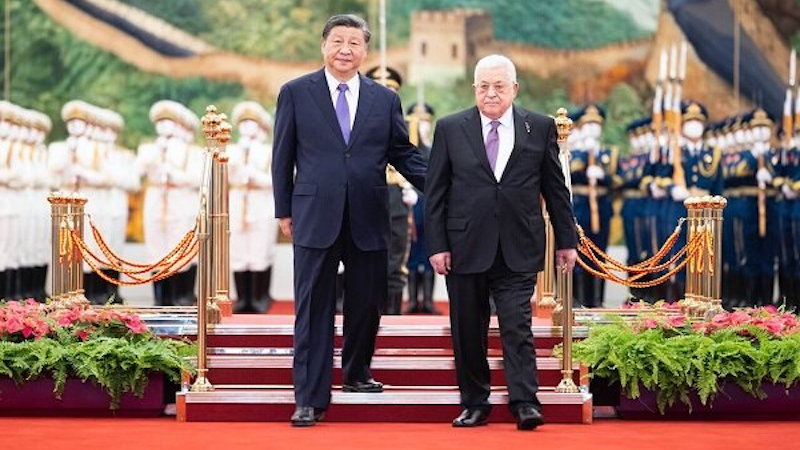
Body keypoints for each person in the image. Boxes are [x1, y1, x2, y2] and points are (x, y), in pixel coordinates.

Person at [272, 14, 427, 427]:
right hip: (314, 215)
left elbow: (402, 152)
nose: (345, 49)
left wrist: (445, 183)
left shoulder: (384, 99)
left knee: (367, 302)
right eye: (338, 41)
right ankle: (308, 396)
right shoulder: (295, 92)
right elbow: (282, 155)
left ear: (365, 51)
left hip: (368, 214)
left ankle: (357, 373)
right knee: (312, 307)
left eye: (354, 43)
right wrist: (283, 209)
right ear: (323, 45)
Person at [425, 54, 577, 431]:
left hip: (519, 244)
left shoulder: (538, 128)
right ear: (474, 88)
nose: (490, 94)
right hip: (463, 246)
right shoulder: (450, 128)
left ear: (514, 89)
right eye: (483, 86)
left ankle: (525, 402)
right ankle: (475, 403)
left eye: (499, 86)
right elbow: (435, 194)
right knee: (467, 329)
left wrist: (567, 241)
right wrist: (436, 245)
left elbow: (555, 190)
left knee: (517, 326)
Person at [228, 101, 278, 313]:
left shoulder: (268, 151)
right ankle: (242, 297)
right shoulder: (231, 150)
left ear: (261, 128)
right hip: (238, 199)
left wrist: (254, 175)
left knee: (259, 248)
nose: (246, 127)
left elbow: (275, 180)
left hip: (261, 201)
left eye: (251, 123)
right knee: (239, 249)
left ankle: (259, 296)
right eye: (243, 123)